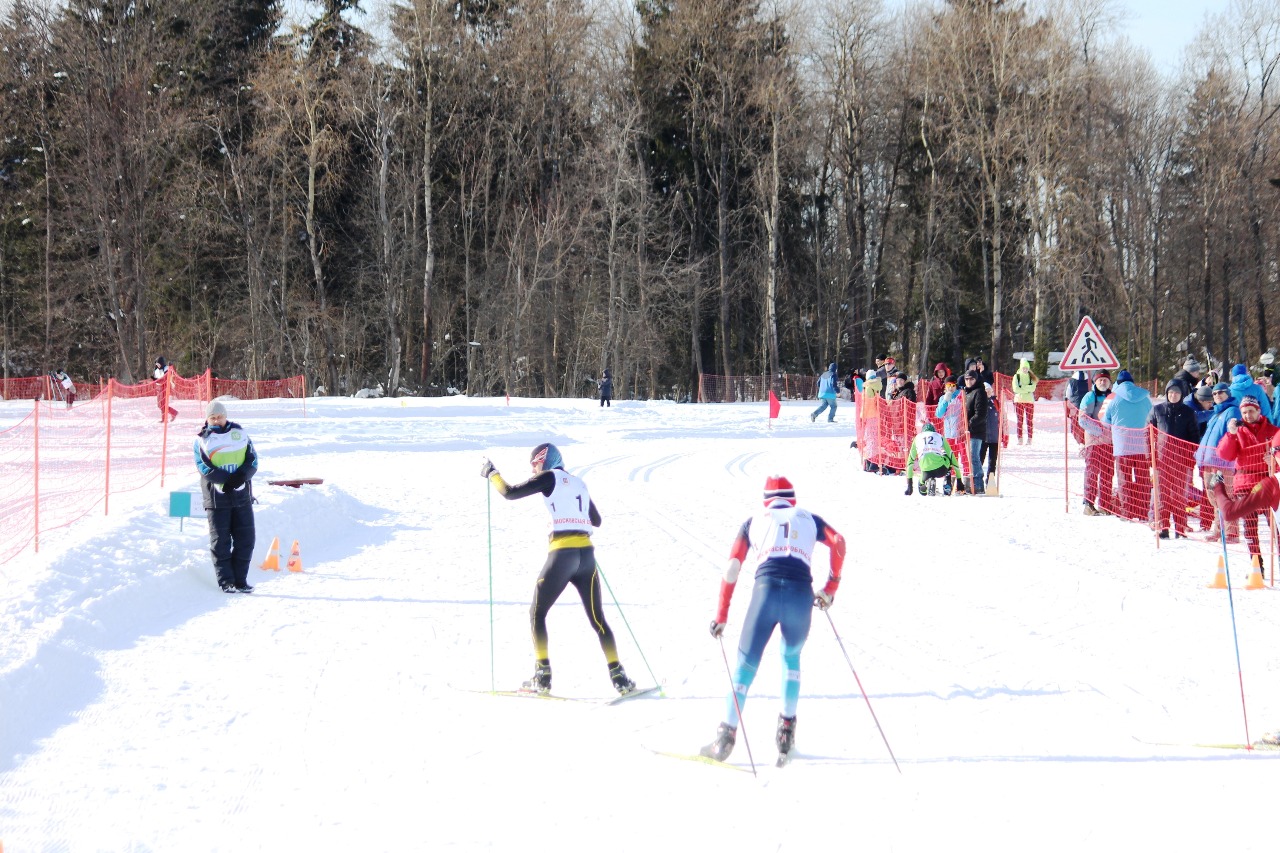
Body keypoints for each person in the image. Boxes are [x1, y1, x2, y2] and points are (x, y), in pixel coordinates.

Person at [700, 476, 846, 766]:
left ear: (766, 501)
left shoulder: (753, 521)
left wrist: (722, 615)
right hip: (799, 595)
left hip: (764, 594)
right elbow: (838, 543)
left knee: (745, 667)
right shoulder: (810, 519)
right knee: (791, 658)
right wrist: (831, 586)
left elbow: (732, 568)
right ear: (793, 499)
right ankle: (786, 732)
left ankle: (725, 738)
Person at [481, 443, 636, 696]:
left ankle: (543, 676)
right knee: (599, 620)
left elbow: (509, 493)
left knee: (536, 613)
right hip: (587, 557)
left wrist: (492, 473)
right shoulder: (578, 482)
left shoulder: (549, 477)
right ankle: (620, 677)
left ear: (547, 459)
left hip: (563, 555)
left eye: (535, 462)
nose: (533, 467)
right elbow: (595, 520)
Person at [194, 400, 258, 593]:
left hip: (241, 496)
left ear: (225, 416)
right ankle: (226, 581)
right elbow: (203, 466)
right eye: (213, 417)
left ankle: (241, 580)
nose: (217, 420)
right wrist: (226, 481)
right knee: (220, 541)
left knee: (246, 539)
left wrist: (241, 477)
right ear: (207, 419)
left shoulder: (240, 433)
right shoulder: (202, 439)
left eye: (220, 416)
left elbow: (252, 460)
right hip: (216, 499)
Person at [1216, 396, 1279, 568]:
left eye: (1251, 411)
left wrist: (1273, 461)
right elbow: (1225, 455)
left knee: (1275, 523)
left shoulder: (1273, 431)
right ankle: (1256, 563)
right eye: (1244, 412)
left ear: (1259, 411)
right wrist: (1231, 435)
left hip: (1267, 481)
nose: (1248, 415)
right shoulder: (1238, 432)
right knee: (1250, 525)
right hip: (1245, 481)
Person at [1150, 380, 1201, 539]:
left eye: (1177, 393)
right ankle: (1163, 527)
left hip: (1181, 461)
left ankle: (1180, 528)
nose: (1173, 395)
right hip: (1162, 460)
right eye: (1171, 392)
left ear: (1181, 395)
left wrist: (1190, 459)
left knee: (1179, 496)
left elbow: (1194, 438)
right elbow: (1148, 433)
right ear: (1166, 393)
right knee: (1163, 495)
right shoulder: (1157, 410)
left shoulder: (1188, 412)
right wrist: (1150, 457)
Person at [1103, 369, 1154, 521]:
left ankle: (1126, 511)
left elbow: (1106, 422)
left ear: (1118, 383)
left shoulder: (1114, 400)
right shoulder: (1145, 399)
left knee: (1124, 479)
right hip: (1142, 446)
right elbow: (1152, 419)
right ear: (1132, 382)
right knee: (1143, 479)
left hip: (1122, 447)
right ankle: (1143, 510)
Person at [1195, 382, 1240, 537]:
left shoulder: (1232, 411)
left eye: (1221, 392)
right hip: (1209, 461)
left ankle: (1231, 532)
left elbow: (1233, 434)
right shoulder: (1215, 413)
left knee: (1226, 496)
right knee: (1214, 497)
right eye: (1214, 393)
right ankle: (1218, 530)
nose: (1218, 395)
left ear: (1228, 393)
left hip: (1223, 462)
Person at [1078, 370, 1115, 515]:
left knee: (1107, 473)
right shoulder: (1090, 396)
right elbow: (1082, 419)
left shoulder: (1112, 397)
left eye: (1105, 380)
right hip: (1093, 441)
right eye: (1100, 380)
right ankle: (1089, 503)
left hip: (1109, 442)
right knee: (1092, 472)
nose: (1103, 382)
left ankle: (1105, 505)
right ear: (1095, 382)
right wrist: (1100, 431)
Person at [904, 422, 963, 497]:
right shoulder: (939, 436)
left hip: (926, 471)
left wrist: (909, 485)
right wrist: (959, 480)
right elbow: (952, 457)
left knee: (923, 462)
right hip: (941, 470)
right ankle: (947, 484)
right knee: (946, 455)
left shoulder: (917, 438)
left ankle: (923, 485)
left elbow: (910, 463)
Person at [962, 371, 988, 495]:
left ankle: (978, 484)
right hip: (968, 431)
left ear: (976, 380)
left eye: (971, 379)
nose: (969, 381)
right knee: (969, 457)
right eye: (967, 379)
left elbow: (981, 414)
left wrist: (969, 423)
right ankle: (971, 483)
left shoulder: (979, 392)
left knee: (974, 457)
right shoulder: (967, 393)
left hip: (976, 431)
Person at [859, 370, 883, 472]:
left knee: (870, 439)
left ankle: (871, 462)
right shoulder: (877, 386)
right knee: (874, 439)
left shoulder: (868, 387)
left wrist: (862, 416)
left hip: (870, 416)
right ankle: (872, 462)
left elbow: (866, 404)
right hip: (876, 415)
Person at [1011, 359, 1038, 444]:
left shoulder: (1031, 376)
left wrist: (1022, 387)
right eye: (1023, 368)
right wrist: (1027, 389)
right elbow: (1015, 388)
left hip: (1029, 401)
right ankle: (1020, 438)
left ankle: (1030, 438)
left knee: (1029, 420)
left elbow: (1033, 388)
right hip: (1019, 400)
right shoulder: (1017, 376)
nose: (1025, 369)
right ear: (1021, 367)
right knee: (1020, 420)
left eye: (1026, 368)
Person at [154, 357, 178, 422]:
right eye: (156, 364)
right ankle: (173, 413)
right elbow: (156, 378)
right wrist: (154, 380)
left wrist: (171, 366)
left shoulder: (166, 369)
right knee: (159, 405)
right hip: (159, 388)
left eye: (158, 364)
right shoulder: (157, 370)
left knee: (163, 405)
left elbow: (168, 377)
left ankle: (165, 418)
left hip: (165, 388)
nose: (157, 365)